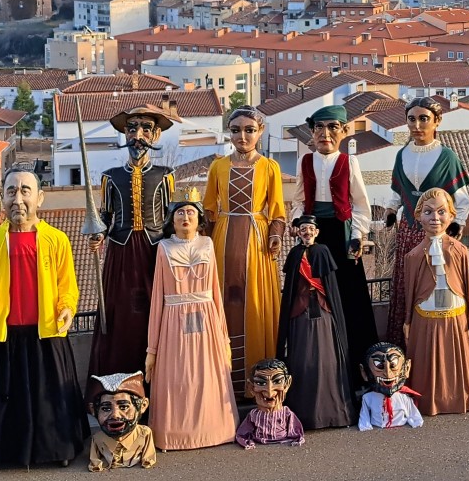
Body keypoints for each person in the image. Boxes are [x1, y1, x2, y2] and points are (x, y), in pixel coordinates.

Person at [0, 167, 89, 469]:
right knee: (5, 401)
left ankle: (57, 450)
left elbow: (68, 286)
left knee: (50, 401)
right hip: (5, 335)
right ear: (1, 198)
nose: (18, 198)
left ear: (40, 197)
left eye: (25, 190)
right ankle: (2, 453)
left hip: (46, 333)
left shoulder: (57, 239)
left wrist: (66, 308)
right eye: (11, 191)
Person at [87, 105, 177, 387]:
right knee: (121, 313)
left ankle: (159, 382)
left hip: (154, 251)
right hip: (121, 251)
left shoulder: (165, 174)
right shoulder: (110, 176)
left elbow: (171, 215)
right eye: (132, 128)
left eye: (145, 128)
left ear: (156, 134)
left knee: (156, 309)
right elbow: (104, 216)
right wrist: (97, 233)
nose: (138, 134)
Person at [290, 105, 378, 383]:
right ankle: (320, 362)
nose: (325, 134)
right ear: (312, 132)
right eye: (319, 128)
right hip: (314, 234)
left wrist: (358, 235)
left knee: (349, 297)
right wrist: (298, 222)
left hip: (341, 234)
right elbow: (297, 200)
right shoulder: (305, 162)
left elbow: (361, 205)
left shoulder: (349, 163)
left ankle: (357, 367)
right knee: (315, 296)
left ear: (342, 132)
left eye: (332, 128)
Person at [202, 105, 286, 396]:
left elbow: (277, 211)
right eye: (236, 129)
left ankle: (259, 381)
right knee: (224, 302)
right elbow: (209, 211)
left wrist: (275, 236)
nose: (243, 135)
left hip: (256, 242)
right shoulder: (218, 166)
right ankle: (226, 381)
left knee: (254, 303)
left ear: (260, 132)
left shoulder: (269, 167)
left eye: (249, 129)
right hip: (223, 239)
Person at [144, 196, 238, 450]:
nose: (185, 217)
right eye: (180, 213)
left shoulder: (207, 245)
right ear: (171, 220)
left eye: (190, 213)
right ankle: (175, 434)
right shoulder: (163, 248)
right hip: (174, 318)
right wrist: (152, 349)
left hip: (206, 316)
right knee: (179, 376)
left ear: (198, 220)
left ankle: (215, 429)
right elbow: (156, 299)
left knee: (206, 373)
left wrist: (224, 336)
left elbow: (216, 292)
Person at [383, 96, 469, 346]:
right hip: (409, 230)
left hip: (436, 234)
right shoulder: (402, 155)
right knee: (407, 286)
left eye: (423, 119)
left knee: (433, 286)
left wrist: (457, 224)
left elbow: (461, 199)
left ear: (437, 121)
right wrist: (391, 209)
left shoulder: (447, 157)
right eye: (412, 119)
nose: (417, 125)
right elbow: (397, 192)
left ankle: (434, 345)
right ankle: (404, 345)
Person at [403, 188, 469, 416]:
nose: (435, 218)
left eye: (441, 212)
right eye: (428, 212)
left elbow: (467, 286)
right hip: (425, 317)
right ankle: (428, 399)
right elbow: (410, 292)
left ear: (451, 215)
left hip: (456, 315)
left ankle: (462, 397)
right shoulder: (413, 256)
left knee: (458, 360)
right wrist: (408, 320)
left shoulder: (460, 250)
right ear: (419, 216)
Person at [276, 215, 357, 429]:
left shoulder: (323, 252)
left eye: (310, 228)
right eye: (303, 229)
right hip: (299, 313)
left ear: (317, 232)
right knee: (302, 358)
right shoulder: (294, 254)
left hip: (323, 310)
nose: (307, 232)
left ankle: (332, 410)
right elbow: (291, 286)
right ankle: (303, 413)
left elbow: (330, 285)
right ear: (298, 232)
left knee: (328, 357)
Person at [86, 372, 156, 472]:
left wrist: (147, 460)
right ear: (93, 409)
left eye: (124, 407)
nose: (115, 415)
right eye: (106, 408)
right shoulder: (98, 439)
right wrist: (96, 464)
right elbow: (94, 457)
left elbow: (148, 454)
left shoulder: (144, 434)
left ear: (143, 406)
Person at [235, 359, 306, 449]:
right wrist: (246, 442)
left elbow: (295, 430)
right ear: (251, 387)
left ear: (287, 384)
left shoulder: (286, 413)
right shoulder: (254, 415)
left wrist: (297, 438)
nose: (269, 392)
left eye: (277, 382)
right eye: (261, 383)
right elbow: (243, 432)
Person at [357, 342, 424, 430]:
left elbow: (413, 413)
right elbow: (364, 414)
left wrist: (416, 421)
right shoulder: (368, 398)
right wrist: (365, 425)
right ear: (364, 373)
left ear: (406, 368)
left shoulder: (404, 397)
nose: (387, 373)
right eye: (379, 365)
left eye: (393, 365)